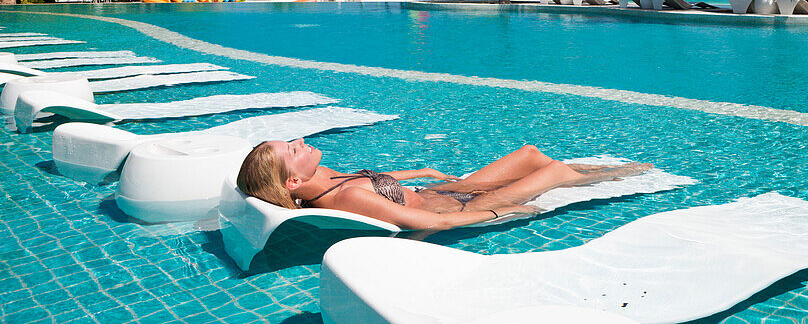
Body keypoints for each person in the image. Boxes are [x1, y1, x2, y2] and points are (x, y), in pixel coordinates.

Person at [237, 140, 651, 231]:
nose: (300, 143)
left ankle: (607, 170)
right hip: (455, 210)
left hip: (443, 192)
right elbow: (424, 224)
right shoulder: (348, 199)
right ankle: (622, 173)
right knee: (555, 171)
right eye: (292, 149)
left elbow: (377, 180)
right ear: (294, 180)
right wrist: (498, 210)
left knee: (528, 154)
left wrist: (421, 174)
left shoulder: (322, 179)